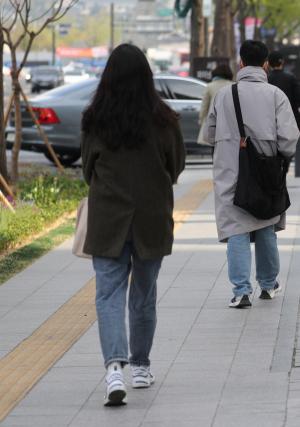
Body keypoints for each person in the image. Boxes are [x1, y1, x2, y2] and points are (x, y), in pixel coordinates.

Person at [81, 44, 186, 406]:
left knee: (108, 295)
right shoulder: (165, 119)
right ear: (147, 76)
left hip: (107, 218)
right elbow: (177, 166)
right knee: (144, 295)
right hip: (152, 218)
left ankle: (114, 369)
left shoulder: (95, 119)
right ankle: (140, 367)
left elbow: (86, 169)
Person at [204, 40, 299, 309]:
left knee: (237, 228)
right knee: (265, 223)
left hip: (230, 171)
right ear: (266, 64)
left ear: (240, 63)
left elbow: (209, 134)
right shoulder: (276, 95)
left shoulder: (223, 95)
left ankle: (241, 292)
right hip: (265, 171)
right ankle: (268, 285)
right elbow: (289, 139)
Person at [267, 51, 300, 132]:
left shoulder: (266, 79)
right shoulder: (290, 78)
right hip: (290, 120)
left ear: (268, 63)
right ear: (282, 62)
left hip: (270, 121)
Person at [197, 63, 233, 145]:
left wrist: (201, 120)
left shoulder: (210, 86)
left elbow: (204, 106)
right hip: (229, 121)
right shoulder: (233, 85)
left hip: (213, 120)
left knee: (213, 146)